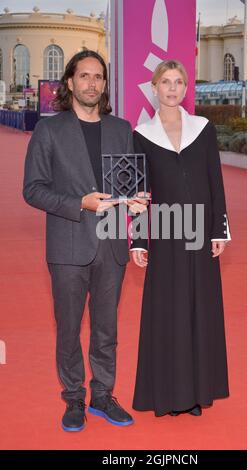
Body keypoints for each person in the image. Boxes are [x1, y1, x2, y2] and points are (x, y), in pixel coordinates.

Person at [23, 50, 144, 431]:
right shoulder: (49, 130)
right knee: (70, 327)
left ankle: (103, 395)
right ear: (71, 82)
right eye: (85, 76)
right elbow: (33, 190)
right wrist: (79, 203)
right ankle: (73, 397)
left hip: (111, 245)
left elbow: (131, 183)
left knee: (107, 329)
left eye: (99, 77)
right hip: (68, 246)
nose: (92, 83)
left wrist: (137, 200)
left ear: (105, 85)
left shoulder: (122, 129)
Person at [131, 60, 231, 417]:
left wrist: (220, 230)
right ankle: (171, 394)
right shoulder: (142, 133)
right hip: (166, 234)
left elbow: (214, 181)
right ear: (154, 87)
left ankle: (195, 393)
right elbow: (139, 193)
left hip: (201, 232)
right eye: (165, 82)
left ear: (186, 89)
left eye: (179, 82)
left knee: (198, 310)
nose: (172, 88)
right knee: (169, 312)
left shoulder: (203, 129)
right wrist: (139, 240)